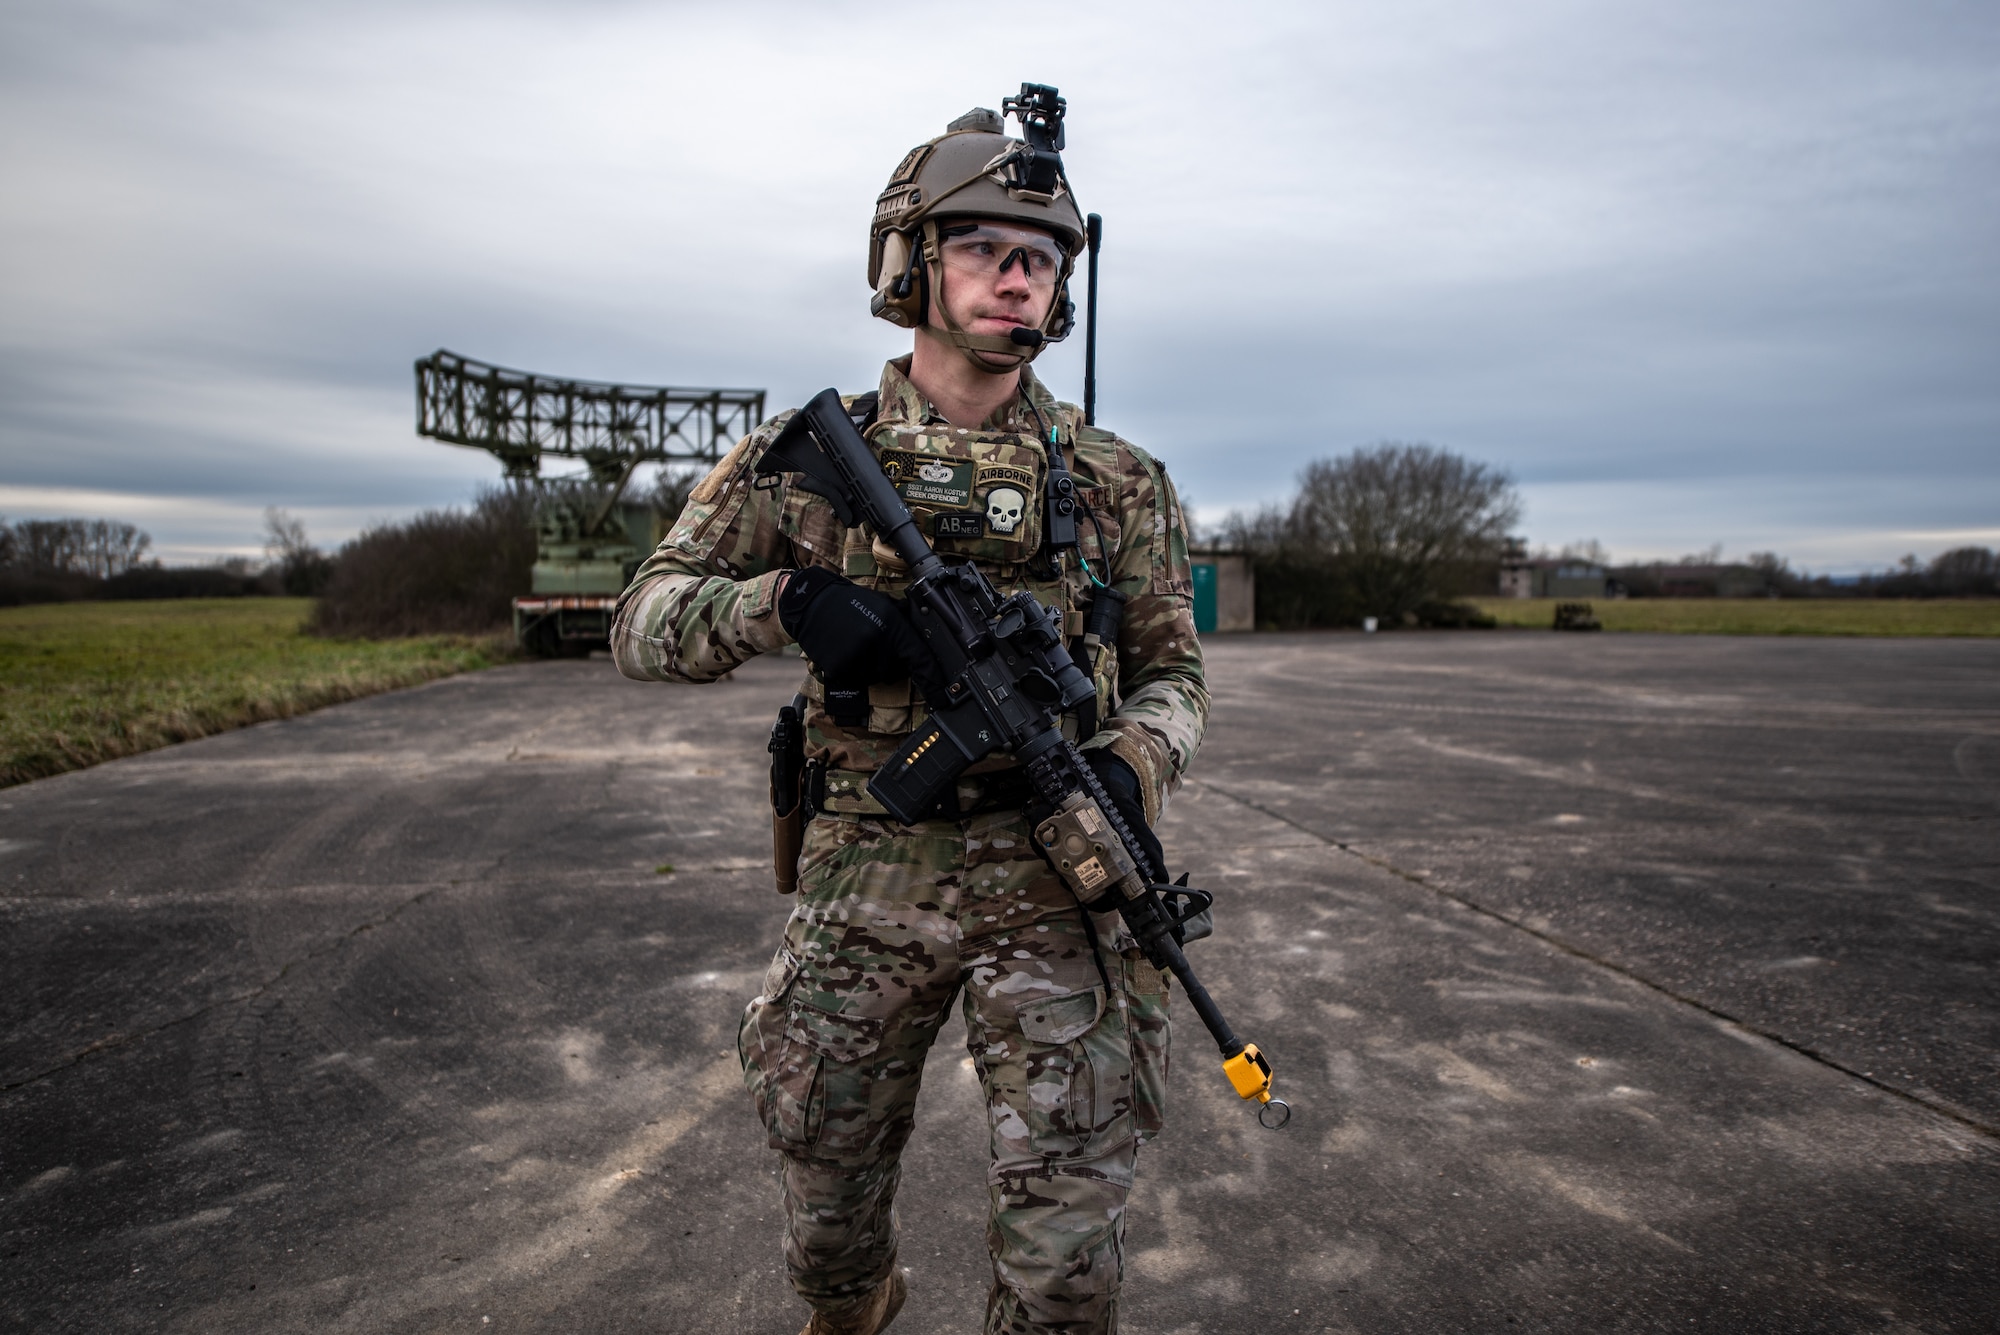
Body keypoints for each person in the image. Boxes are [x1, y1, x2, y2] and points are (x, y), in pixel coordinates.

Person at [612, 94, 1206, 1335]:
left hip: (1058, 875)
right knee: (825, 1200)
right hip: (867, 868)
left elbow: (1175, 677)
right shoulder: (804, 455)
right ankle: (857, 1306)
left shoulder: (1116, 482)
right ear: (910, 262)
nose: (1014, 278)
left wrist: (1128, 765)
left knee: (1066, 1258)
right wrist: (783, 601)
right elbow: (643, 621)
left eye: (1038, 259)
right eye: (984, 248)